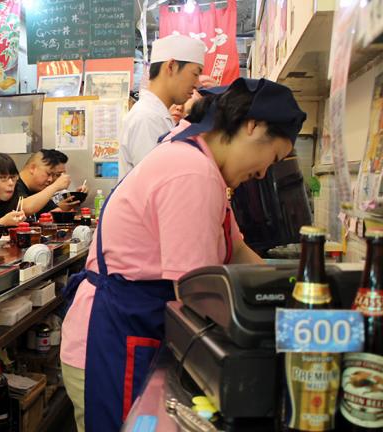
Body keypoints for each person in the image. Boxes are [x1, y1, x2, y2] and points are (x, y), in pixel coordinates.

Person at [61, 78, 306, 431]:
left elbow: (235, 249)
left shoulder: (201, 164)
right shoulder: (192, 172)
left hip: (127, 331)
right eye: (274, 157)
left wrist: (293, 291)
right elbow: (194, 291)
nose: (265, 172)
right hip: (112, 344)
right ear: (253, 127)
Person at [118, 34, 206, 179]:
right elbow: (156, 185)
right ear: (171, 66)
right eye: (195, 74)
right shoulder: (147, 119)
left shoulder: (157, 115)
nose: (198, 83)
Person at [15, 149, 88, 218]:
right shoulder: (13, 184)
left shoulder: (38, 189)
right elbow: (23, 208)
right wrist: (55, 186)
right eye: (48, 174)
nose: (50, 179)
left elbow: (55, 211)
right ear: (32, 168)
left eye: (53, 175)